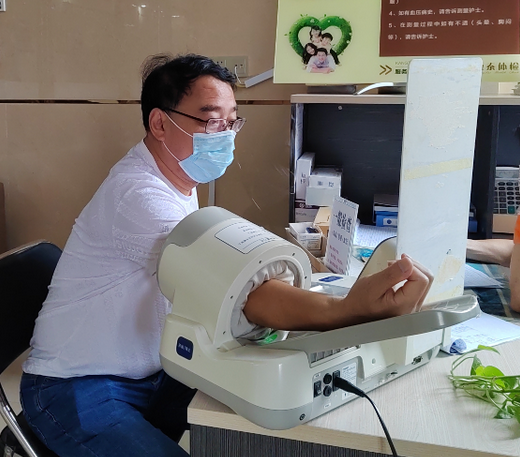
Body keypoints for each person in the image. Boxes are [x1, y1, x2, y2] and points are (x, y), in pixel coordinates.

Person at [20, 53, 432, 457]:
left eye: (232, 120)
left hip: (154, 371)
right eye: (211, 119)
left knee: (265, 398)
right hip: (76, 385)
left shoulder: (176, 176)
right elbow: (243, 290)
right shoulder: (138, 195)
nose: (226, 133)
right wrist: (347, 310)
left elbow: (230, 263)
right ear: (161, 123)